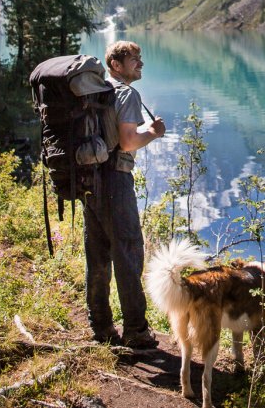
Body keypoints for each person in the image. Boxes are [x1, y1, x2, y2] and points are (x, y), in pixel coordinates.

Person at [83, 40, 167, 348]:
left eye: (140, 58)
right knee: (129, 252)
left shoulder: (96, 92)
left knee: (98, 253)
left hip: (89, 177)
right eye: (134, 59)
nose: (140, 64)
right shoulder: (126, 93)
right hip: (115, 179)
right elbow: (129, 142)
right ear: (116, 65)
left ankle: (101, 326)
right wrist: (153, 133)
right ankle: (136, 329)